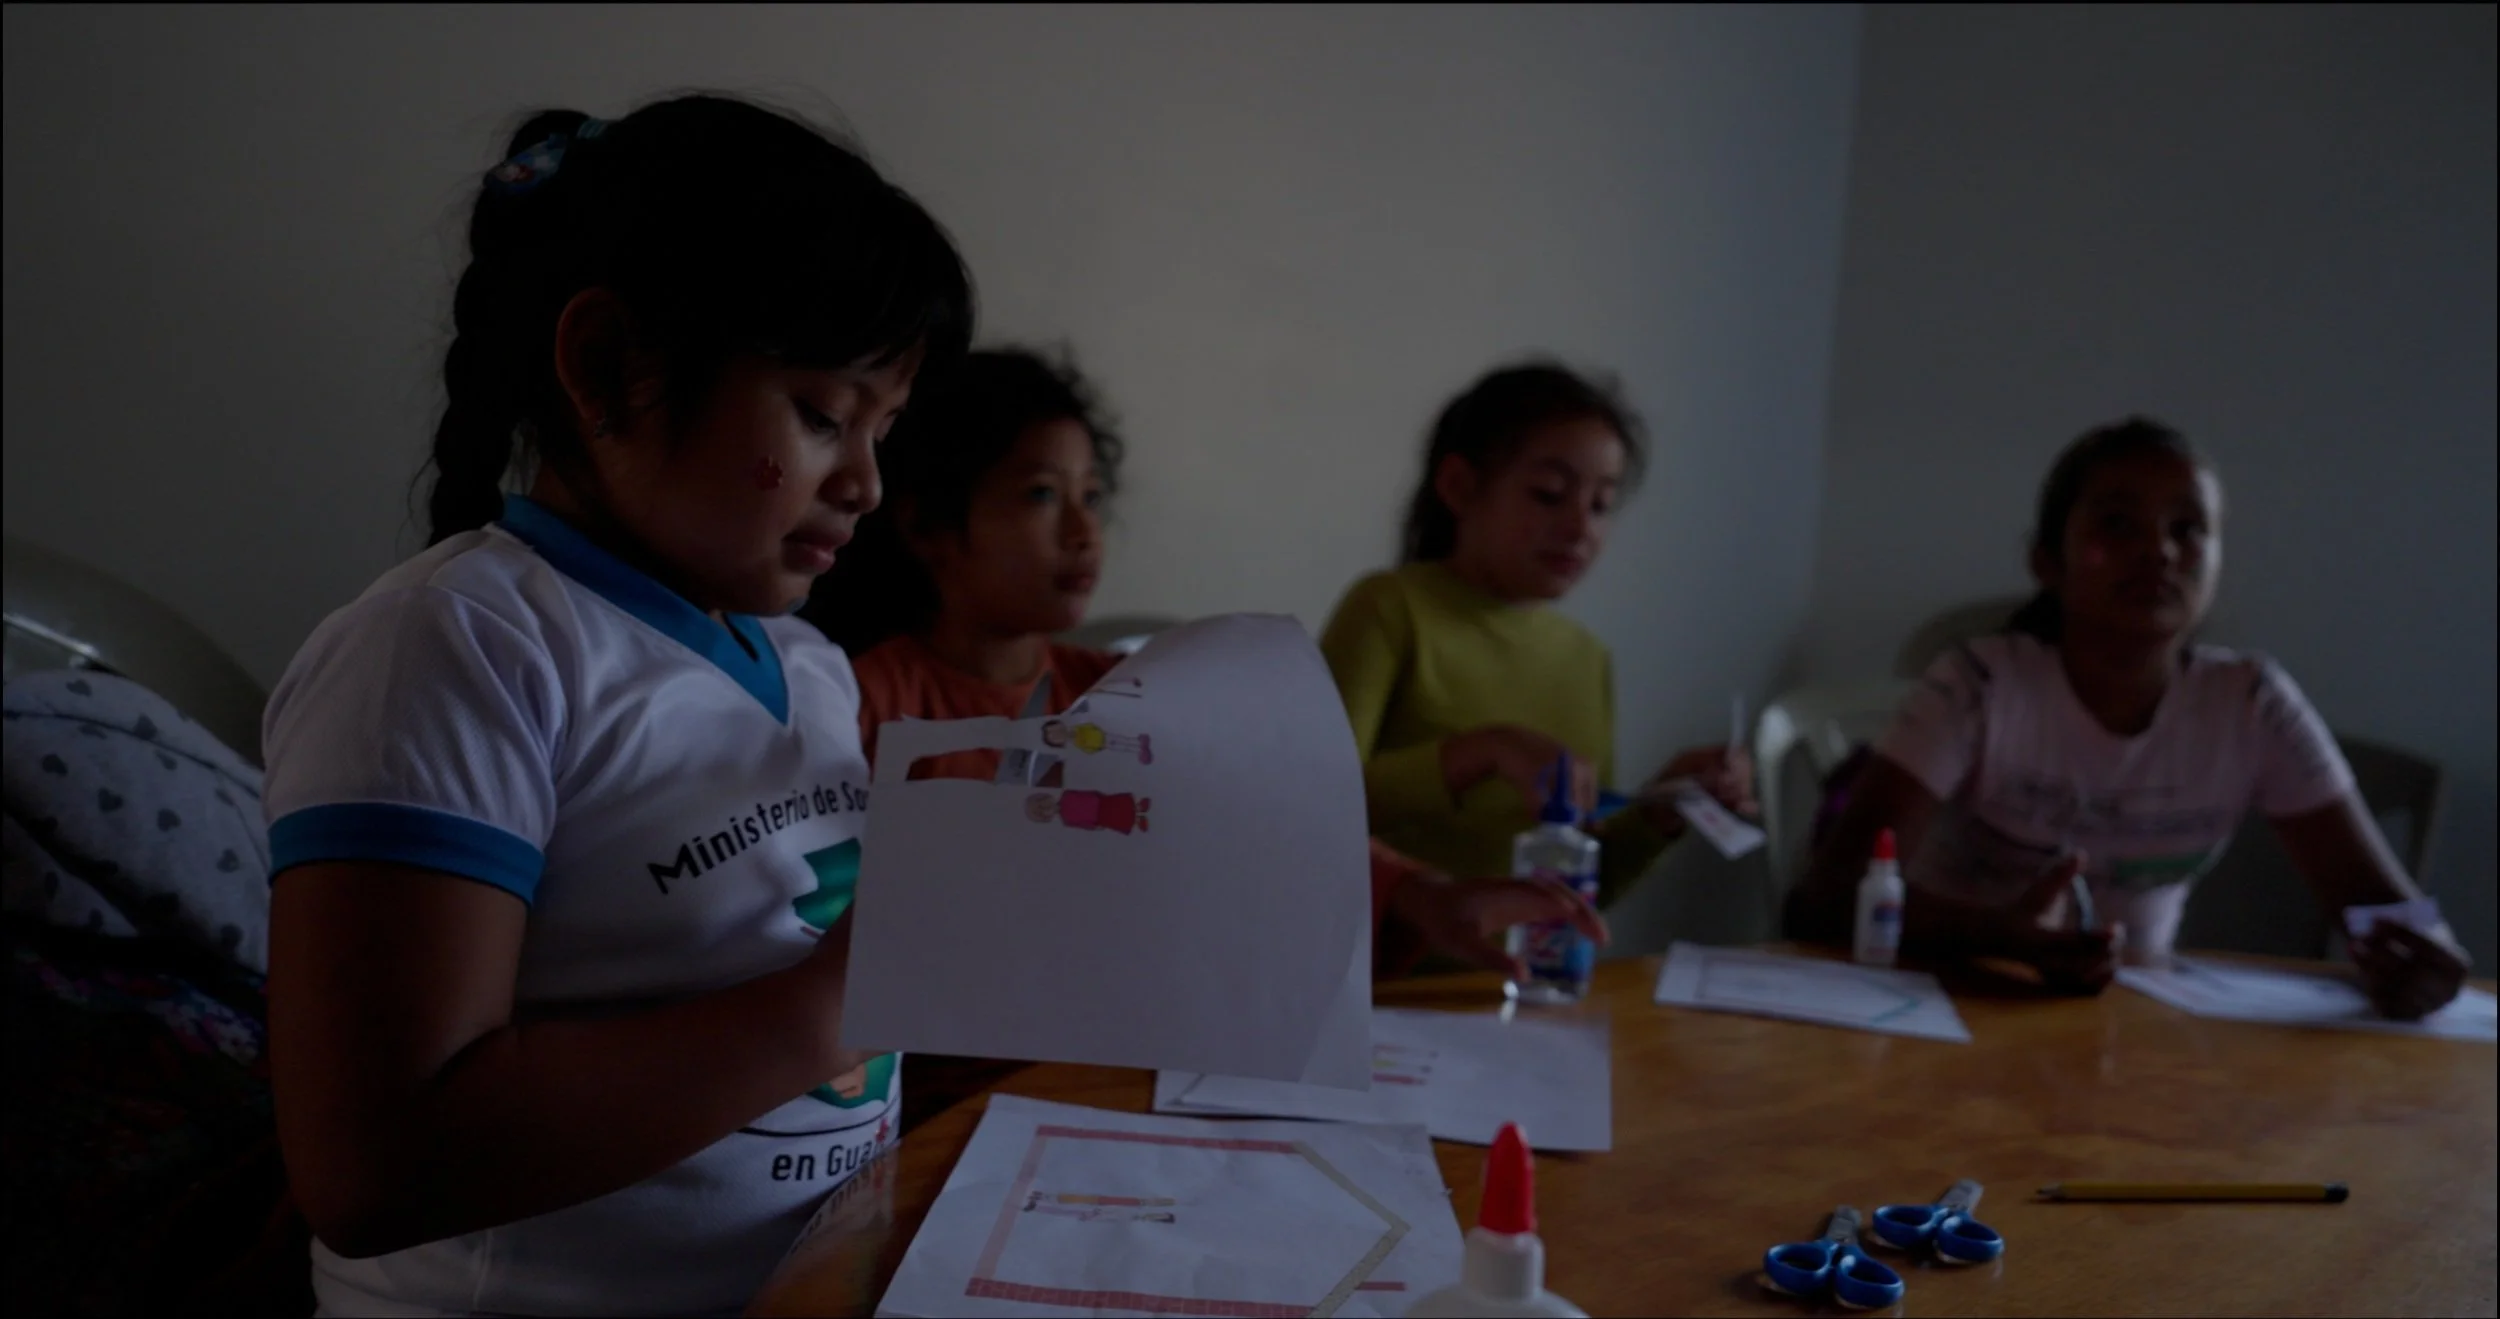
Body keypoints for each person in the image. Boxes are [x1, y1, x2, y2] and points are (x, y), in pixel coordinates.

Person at [259, 96, 973, 1316]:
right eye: (820, 414)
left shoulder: (806, 659)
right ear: (608, 369)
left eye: (882, 430)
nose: (863, 481)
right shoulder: (454, 645)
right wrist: (845, 996)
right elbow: (374, 1162)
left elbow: (776, 943)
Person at [804, 348, 1609, 979]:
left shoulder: (1124, 694)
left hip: (1102, 1079)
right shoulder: (863, 702)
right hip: (927, 1099)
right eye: (1043, 496)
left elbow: (1261, 827)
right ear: (929, 527)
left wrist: (1427, 897)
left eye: (1093, 495)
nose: (1085, 531)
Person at [1787, 417, 2469, 1019]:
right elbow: (1824, 898)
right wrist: (1999, 934)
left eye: (2188, 527)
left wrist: (2428, 960)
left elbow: (2389, 911)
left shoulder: (2252, 702)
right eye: (2117, 523)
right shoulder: (1981, 684)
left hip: (2131, 1025)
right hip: (1952, 1006)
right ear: (2045, 560)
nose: (2160, 551)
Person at [1320, 361, 1758, 908]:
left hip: (1527, 984)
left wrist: (1661, 809)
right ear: (1459, 488)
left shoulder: (1584, 657)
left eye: (1601, 505)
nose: (1580, 529)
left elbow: (1580, 888)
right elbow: (1313, 807)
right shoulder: (1389, 609)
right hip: (1386, 980)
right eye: (1550, 494)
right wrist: (1481, 752)